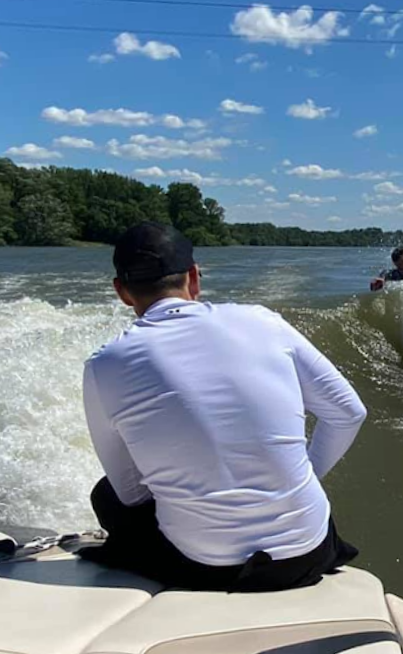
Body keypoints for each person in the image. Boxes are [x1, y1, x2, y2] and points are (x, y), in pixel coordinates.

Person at [79, 222, 367, 592]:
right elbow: (348, 413)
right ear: (194, 277)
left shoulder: (104, 364)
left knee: (106, 495)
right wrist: (304, 475)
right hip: (308, 554)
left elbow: (131, 494)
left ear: (121, 292)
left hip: (203, 568)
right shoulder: (263, 321)